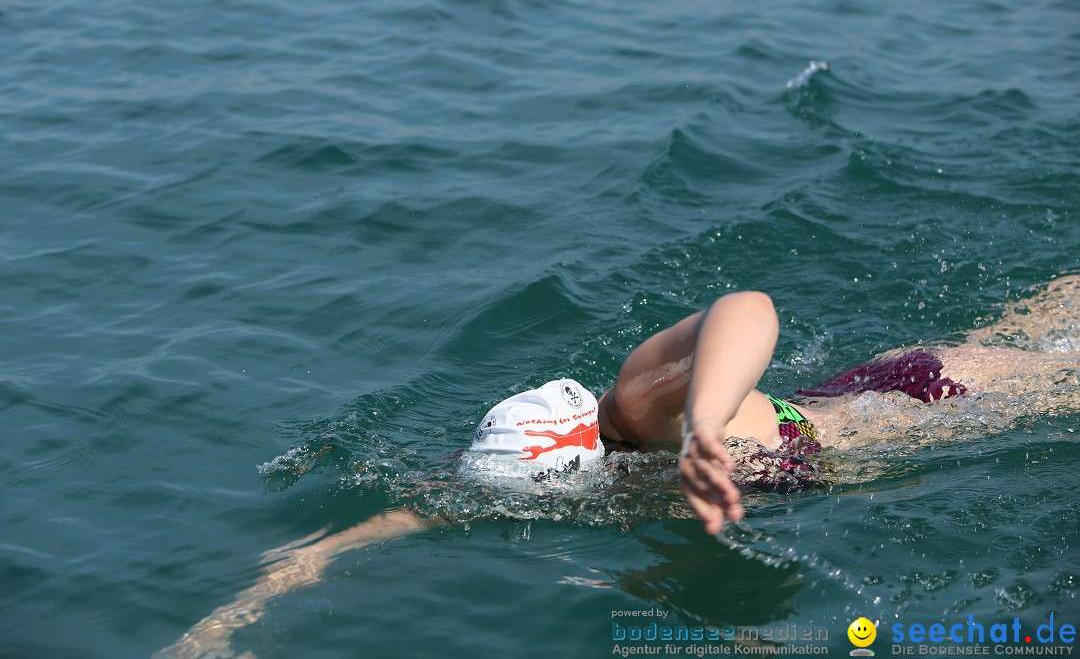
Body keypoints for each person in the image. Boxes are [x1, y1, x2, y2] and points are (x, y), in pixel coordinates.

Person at [158, 275, 1080, 659]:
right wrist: (236, 614)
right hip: (856, 404)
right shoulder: (518, 459)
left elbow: (749, 307)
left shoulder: (637, 406)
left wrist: (700, 427)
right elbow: (388, 521)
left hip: (924, 406)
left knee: (1053, 353)